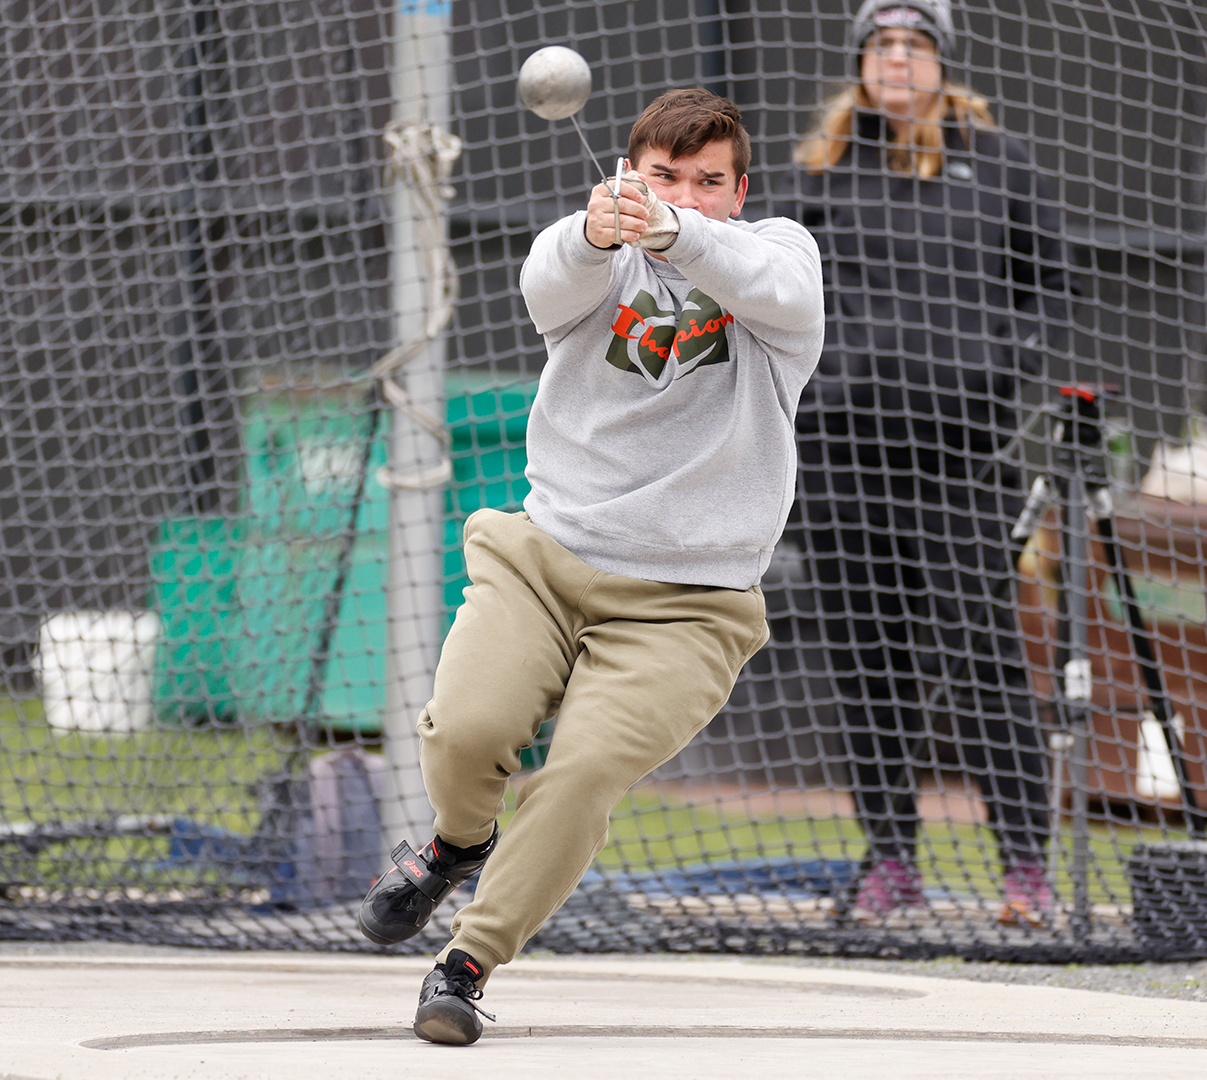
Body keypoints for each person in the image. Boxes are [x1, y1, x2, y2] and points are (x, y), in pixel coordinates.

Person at [357, 88, 824, 1045]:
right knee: (467, 732)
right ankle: (455, 842)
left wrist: (673, 231)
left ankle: (465, 964)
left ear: (742, 192)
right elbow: (544, 285)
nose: (686, 197)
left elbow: (776, 291)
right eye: (663, 177)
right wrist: (592, 231)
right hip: (547, 558)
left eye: (708, 183)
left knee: (580, 776)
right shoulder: (595, 252)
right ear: (626, 172)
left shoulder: (778, 255)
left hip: (689, 605)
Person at [784, 0, 1067, 927]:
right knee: (871, 665)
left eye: (913, 45)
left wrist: (997, 374)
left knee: (985, 659)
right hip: (841, 460)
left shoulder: (1002, 165)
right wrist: (819, 394)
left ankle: (1024, 869)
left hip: (956, 457)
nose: (895, 59)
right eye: (880, 45)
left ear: (943, 62)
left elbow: (1047, 289)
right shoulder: (822, 171)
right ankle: (890, 860)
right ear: (861, 61)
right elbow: (781, 300)